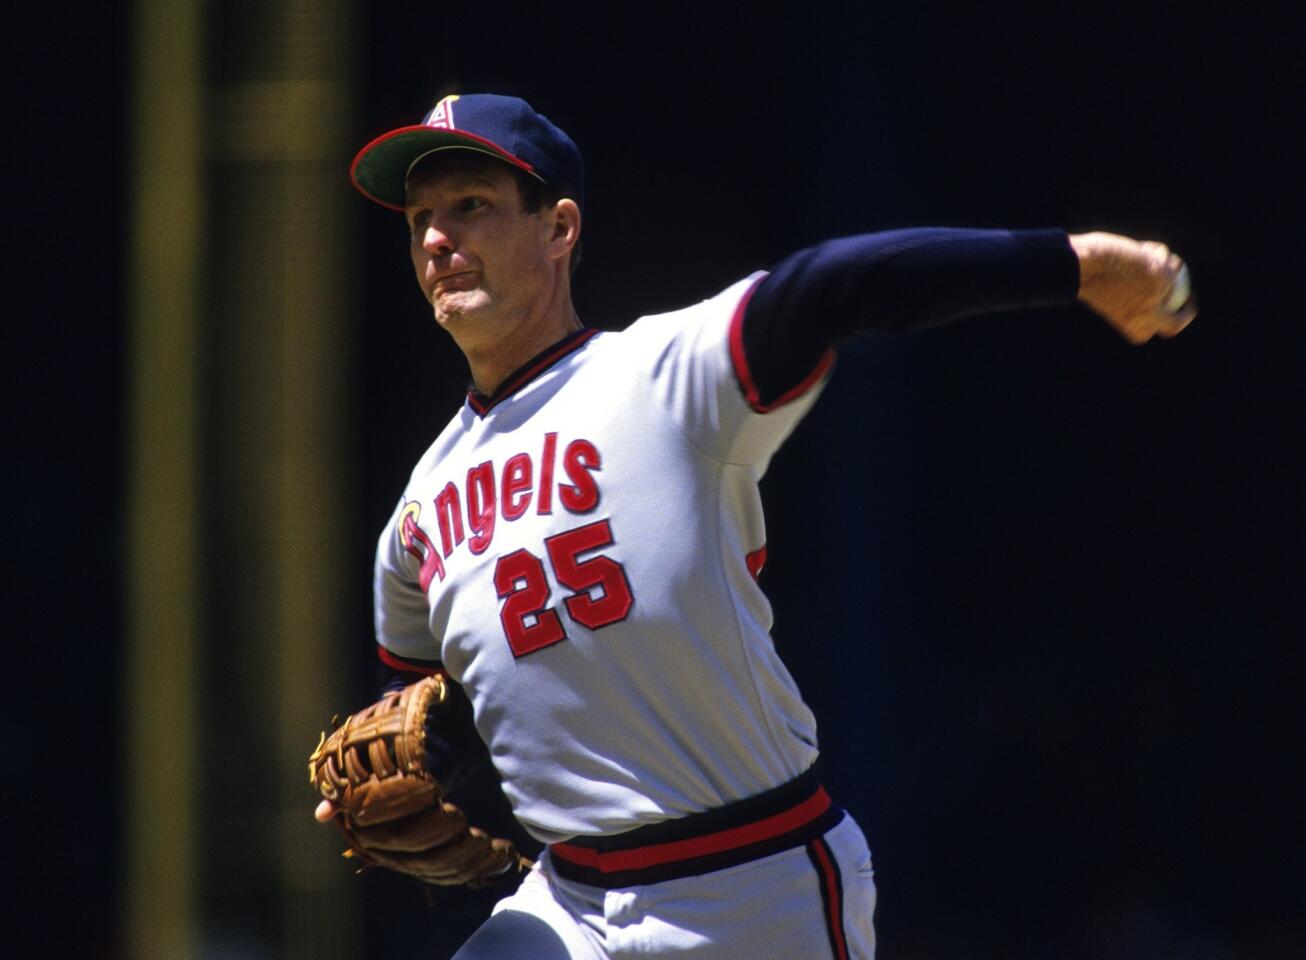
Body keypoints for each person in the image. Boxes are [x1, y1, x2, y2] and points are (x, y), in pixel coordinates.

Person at [315, 92, 1195, 960]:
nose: (437, 238)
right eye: (421, 217)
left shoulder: (661, 377)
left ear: (559, 228)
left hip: (751, 884)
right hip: (568, 900)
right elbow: (425, 718)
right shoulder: (420, 512)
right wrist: (421, 774)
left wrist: (1075, 266)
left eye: (472, 206)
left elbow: (836, 285)